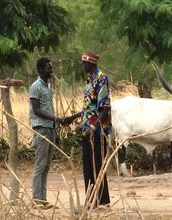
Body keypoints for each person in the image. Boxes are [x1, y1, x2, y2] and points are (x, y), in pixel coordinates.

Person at [68, 51, 111, 208]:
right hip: (87, 129)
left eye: (85, 63)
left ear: (92, 63)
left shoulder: (101, 79)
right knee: (88, 166)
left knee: (98, 165)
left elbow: (105, 108)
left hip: (97, 130)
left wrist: (93, 126)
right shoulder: (90, 80)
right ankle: (92, 200)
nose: (83, 66)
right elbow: (89, 108)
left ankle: (102, 201)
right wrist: (73, 118)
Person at [29, 57, 69, 209]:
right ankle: (36, 200)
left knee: (46, 166)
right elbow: (37, 110)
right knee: (40, 165)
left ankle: (42, 199)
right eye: (48, 68)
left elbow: (48, 108)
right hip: (41, 130)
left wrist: (55, 129)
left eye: (51, 68)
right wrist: (57, 119)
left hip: (50, 129)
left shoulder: (48, 87)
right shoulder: (35, 87)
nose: (51, 71)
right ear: (40, 70)